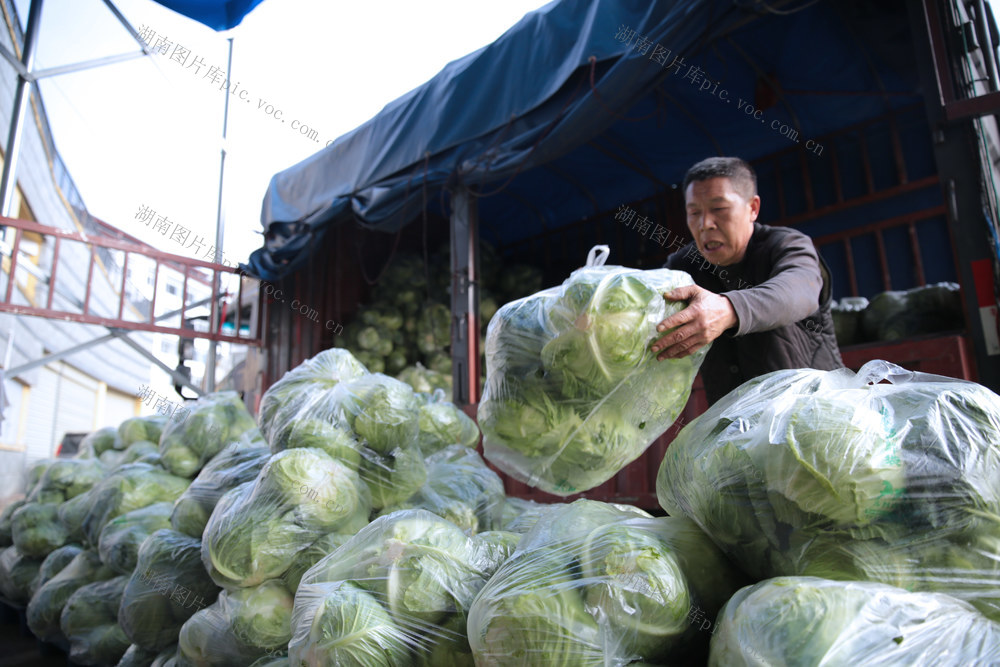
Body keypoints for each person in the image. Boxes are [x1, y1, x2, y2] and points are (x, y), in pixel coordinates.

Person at [651, 156, 843, 405]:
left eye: (719, 209)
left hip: (815, 413)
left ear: (752, 208)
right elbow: (647, 307)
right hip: (734, 426)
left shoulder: (787, 246)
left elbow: (798, 293)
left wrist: (728, 309)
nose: (705, 224)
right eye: (694, 212)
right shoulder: (683, 267)